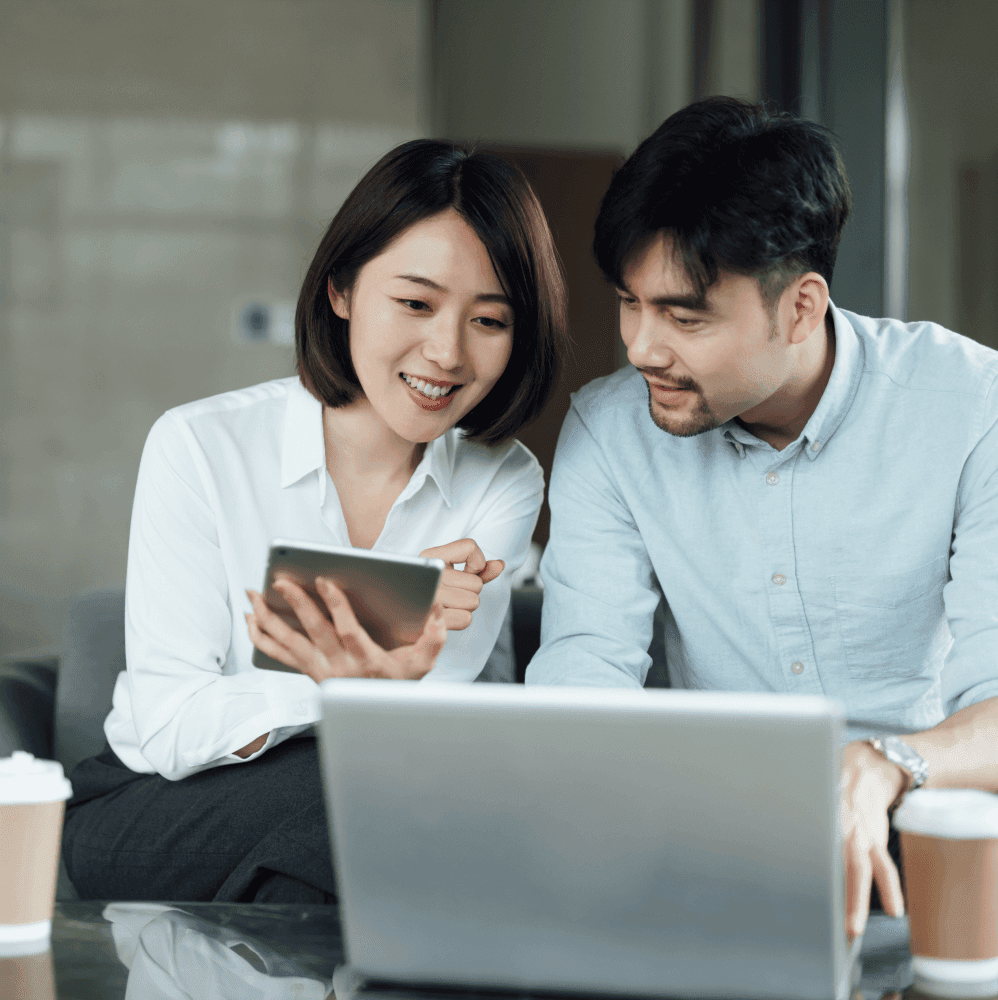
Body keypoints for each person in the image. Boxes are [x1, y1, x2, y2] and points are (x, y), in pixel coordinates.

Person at [526, 97, 998, 940]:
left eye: (684, 315)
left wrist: (890, 765)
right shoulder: (608, 430)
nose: (641, 347)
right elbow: (584, 675)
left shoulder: (969, 408)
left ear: (801, 307)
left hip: (937, 817)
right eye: (630, 303)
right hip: (714, 845)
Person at [63, 139, 568, 903]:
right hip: (155, 808)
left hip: (371, 804)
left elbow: (420, 743)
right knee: (375, 807)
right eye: (415, 303)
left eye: (490, 321)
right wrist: (340, 692)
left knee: (351, 831)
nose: (447, 352)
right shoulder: (200, 445)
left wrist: (360, 693)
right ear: (340, 290)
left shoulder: (503, 480)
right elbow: (168, 726)